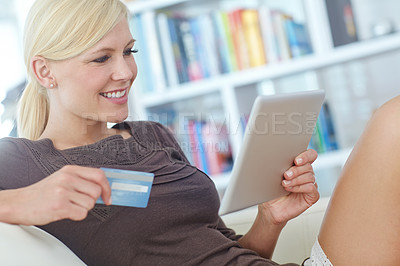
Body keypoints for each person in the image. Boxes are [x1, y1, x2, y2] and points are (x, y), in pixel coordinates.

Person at [4, 0, 399, 265]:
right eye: (101, 58)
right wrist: (16, 204)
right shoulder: (23, 161)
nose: (124, 72)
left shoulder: (152, 135)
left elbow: (222, 249)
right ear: (44, 71)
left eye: (129, 51)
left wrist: (270, 219)